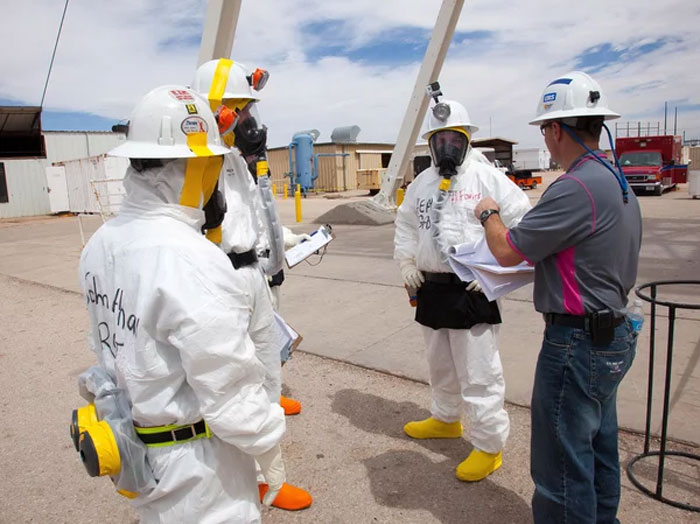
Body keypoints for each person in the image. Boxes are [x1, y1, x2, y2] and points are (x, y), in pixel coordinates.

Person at [78, 85, 286, 523]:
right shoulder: (190, 258)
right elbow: (226, 382)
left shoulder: (100, 242)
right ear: (196, 168)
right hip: (202, 470)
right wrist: (267, 444)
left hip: (139, 452)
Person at [474, 71, 642, 523]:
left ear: (555, 129)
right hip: (613, 333)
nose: (546, 139)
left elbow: (507, 249)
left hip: (577, 344)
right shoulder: (614, 177)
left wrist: (488, 213)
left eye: (545, 130)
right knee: (598, 448)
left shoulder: (574, 187)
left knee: (560, 467)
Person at [193, 58, 312, 511]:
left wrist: (285, 244)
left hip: (252, 277)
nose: (247, 122)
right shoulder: (195, 164)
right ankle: (228, 476)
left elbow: (255, 220)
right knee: (228, 383)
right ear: (215, 111)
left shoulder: (238, 164)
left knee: (266, 376)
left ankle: (271, 481)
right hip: (218, 280)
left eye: (249, 111)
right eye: (238, 111)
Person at [394, 96, 531, 482]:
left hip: (472, 291)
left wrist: (495, 272)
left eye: (453, 139)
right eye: (439, 141)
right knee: (441, 364)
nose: (446, 148)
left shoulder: (489, 179)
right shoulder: (422, 184)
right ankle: (445, 418)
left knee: (479, 372)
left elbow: (523, 223)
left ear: (467, 140)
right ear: (431, 144)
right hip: (433, 289)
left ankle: (489, 447)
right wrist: (407, 263)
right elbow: (405, 227)